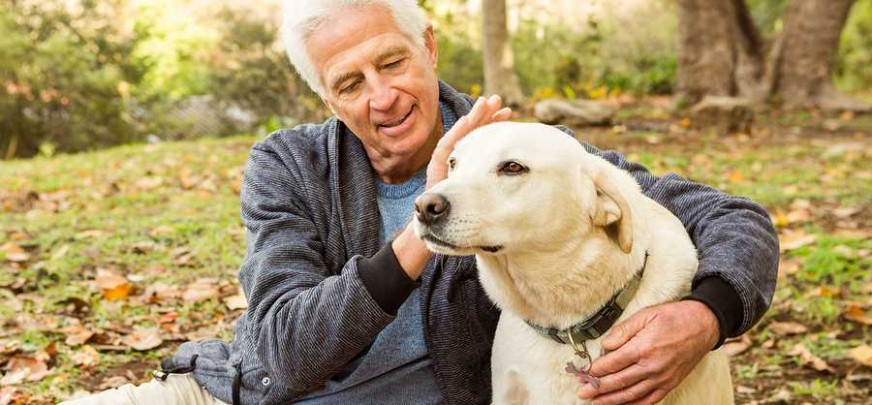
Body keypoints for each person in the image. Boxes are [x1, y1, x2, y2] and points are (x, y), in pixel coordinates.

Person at [61, 1, 779, 404]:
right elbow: (279, 350)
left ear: (429, 47)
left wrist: (706, 315)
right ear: (327, 99)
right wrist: (423, 227)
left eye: (393, 61)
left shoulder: (521, 157)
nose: (382, 96)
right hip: (247, 394)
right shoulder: (290, 165)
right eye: (350, 83)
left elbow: (733, 218)